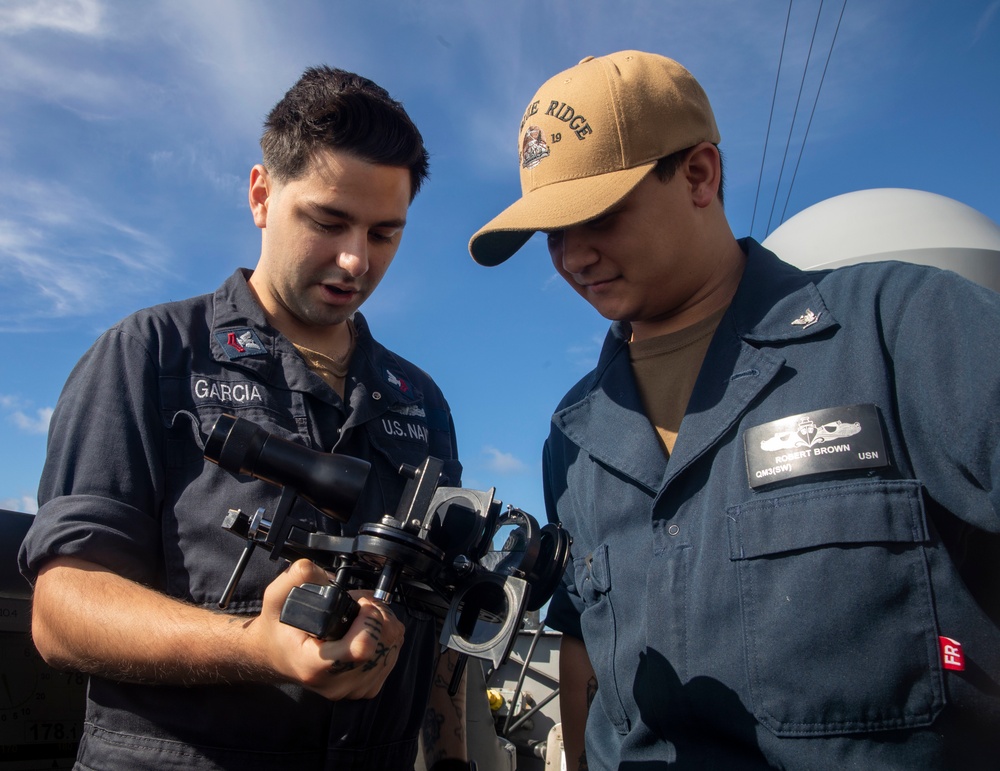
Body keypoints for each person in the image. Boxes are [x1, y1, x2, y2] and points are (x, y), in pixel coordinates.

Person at [469, 50, 1000, 769]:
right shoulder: (576, 433)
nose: (574, 256)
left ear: (699, 175)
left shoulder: (907, 328)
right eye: (552, 233)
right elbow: (586, 645)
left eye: (596, 214)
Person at [20, 65, 471, 770]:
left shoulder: (419, 400)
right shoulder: (150, 355)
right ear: (261, 195)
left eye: (385, 233)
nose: (356, 258)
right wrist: (254, 647)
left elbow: (433, 617)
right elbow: (61, 611)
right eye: (328, 221)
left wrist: (452, 758)